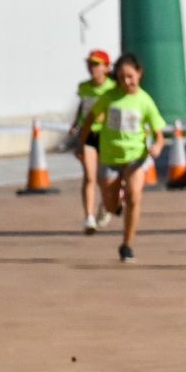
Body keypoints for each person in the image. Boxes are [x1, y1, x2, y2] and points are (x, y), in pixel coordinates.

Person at [87, 54, 167, 263]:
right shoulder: (109, 98)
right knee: (112, 202)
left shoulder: (145, 101)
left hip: (136, 157)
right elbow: (90, 117)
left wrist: (157, 146)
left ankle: (127, 245)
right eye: (122, 78)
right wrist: (82, 142)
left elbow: (159, 133)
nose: (127, 82)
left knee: (134, 196)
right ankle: (109, 206)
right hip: (110, 156)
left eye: (130, 76)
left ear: (139, 74)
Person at [70, 49, 117, 234]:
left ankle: (106, 204)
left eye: (96, 64)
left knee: (105, 179)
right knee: (89, 176)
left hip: (107, 135)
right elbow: (82, 107)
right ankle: (89, 217)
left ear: (106, 67)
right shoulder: (84, 87)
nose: (92, 68)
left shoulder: (113, 88)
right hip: (88, 134)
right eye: (90, 64)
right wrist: (76, 124)